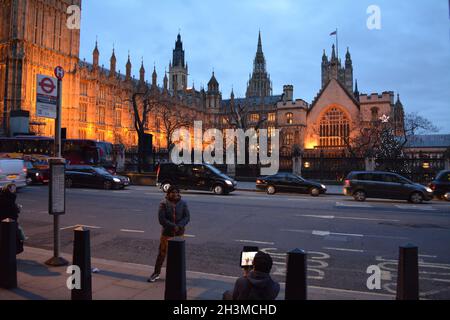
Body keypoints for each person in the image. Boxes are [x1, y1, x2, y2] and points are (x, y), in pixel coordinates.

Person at [148, 185, 190, 283]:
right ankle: (156, 273)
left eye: (176, 192)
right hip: (167, 233)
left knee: (177, 255)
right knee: (162, 253)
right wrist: (172, 226)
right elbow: (161, 219)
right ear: (168, 193)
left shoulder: (183, 203)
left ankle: (176, 275)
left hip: (179, 233)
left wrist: (179, 226)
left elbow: (187, 217)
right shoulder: (163, 203)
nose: (175, 194)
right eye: (173, 192)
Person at [0, 184, 25, 254]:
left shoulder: (5, 198)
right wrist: (17, 209)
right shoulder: (10, 199)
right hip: (9, 226)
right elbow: (12, 213)